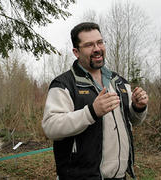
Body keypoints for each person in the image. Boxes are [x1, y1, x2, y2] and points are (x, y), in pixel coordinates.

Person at [42, 22, 148, 180]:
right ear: (76, 52)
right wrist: (91, 112)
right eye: (89, 45)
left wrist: (138, 108)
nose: (97, 48)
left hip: (120, 176)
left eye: (100, 42)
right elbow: (51, 127)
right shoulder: (64, 84)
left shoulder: (119, 82)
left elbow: (132, 120)